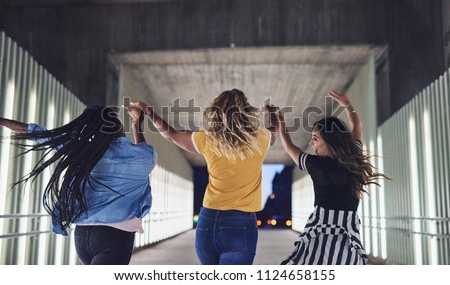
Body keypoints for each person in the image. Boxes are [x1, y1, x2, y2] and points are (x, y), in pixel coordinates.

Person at [125, 88, 276, 265]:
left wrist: (150, 114)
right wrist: (273, 114)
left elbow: (172, 136)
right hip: (240, 223)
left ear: (216, 113)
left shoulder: (207, 139)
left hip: (208, 221)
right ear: (247, 111)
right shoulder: (260, 139)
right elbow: (274, 132)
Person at [0, 105, 157, 265]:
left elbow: (40, 134)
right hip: (115, 238)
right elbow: (143, 147)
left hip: (82, 236)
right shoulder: (145, 157)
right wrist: (136, 125)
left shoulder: (84, 152)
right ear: (117, 126)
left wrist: (2, 121)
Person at [275, 90, 391, 265]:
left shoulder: (316, 165)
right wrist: (348, 105)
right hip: (347, 241)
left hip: (318, 237)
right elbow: (357, 128)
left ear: (329, 142)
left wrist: (281, 126)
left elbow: (289, 147)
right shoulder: (354, 159)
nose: (310, 143)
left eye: (315, 138)